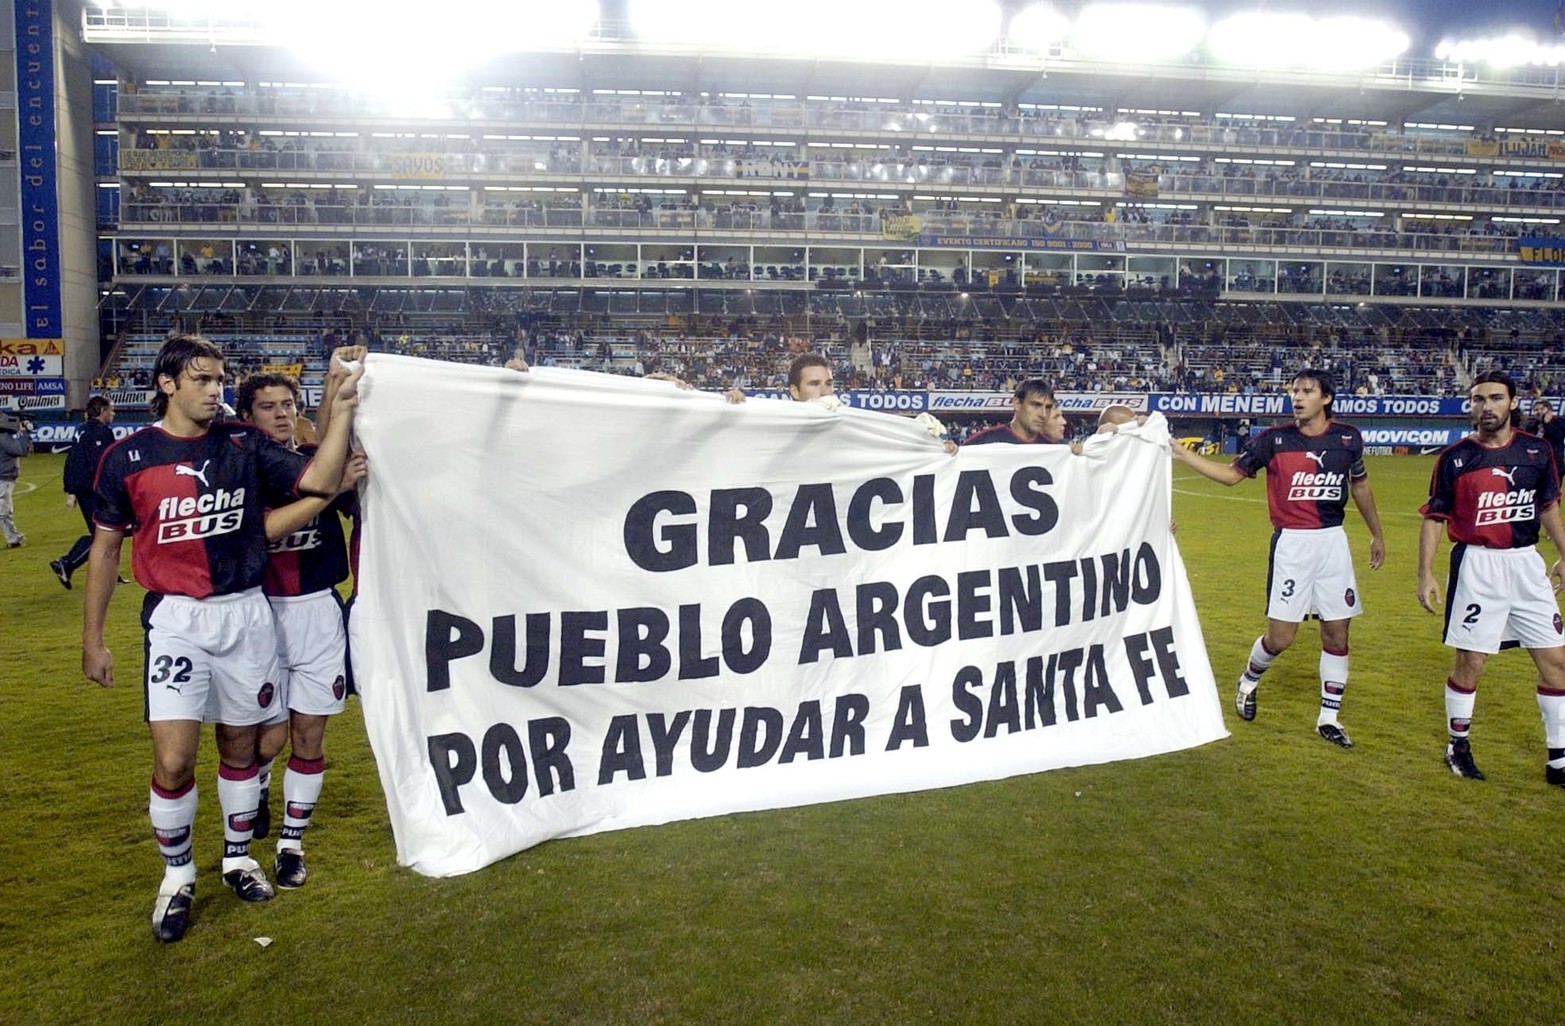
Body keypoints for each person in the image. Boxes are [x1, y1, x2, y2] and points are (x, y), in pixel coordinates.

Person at [81, 334, 362, 943]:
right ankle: (177, 876)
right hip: (177, 621)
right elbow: (105, 550)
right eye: (202, 380)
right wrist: (93, 638)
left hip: (247, 615)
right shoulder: (128, 458)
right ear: (167, 384)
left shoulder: (243, 443)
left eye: (218, 379)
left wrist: (338, 410)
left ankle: (238, 857)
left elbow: (317, 479)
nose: (214, 390)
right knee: (174, 758)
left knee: (242, 748)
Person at [1171, 370, 1385, 748]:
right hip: (1292, 546)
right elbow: (1230, 475)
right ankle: (1249, 679)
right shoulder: (1274, 440)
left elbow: (1361, 485)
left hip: (1333, 543)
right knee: (1281, 637)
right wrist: (1180, 452)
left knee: (1337, 631)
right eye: (1295, 391)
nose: (1298, 397)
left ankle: (1328, 718)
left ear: (1327, 398)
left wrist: (1376, 534)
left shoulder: (1348, 438)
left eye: (1307, 391)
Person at [231, 362, 364, 891]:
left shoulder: (315, 461)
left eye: (288, 405)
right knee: (267, 739)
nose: (282, 415)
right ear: (245, 417)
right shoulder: (238, 475)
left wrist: (339, 387)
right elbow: (262, 534)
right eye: (268, 407)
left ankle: (291, 844)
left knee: (309, 734)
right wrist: (329, 491)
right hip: (258, 613)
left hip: (317, 611)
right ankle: (260, 786)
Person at [1417, 371, 1565, 785]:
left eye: (1496, 398)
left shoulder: (1538, 452)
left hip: (1526, 565)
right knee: (1472, 662)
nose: (1486, 406)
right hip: (1477, 566)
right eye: (1478, 399)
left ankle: (1559, 760)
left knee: (1557, 661)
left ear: (1512, 403)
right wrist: (1425, 572)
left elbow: (1549, 507)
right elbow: (1434, 518)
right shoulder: (1456, 458)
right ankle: (1457, 745)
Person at [51, 397, 116, 588]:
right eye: (111, 410)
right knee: (103, 535)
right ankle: (67, 563)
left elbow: (73, 460)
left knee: (106, 533)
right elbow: (100, 464)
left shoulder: (82, 429)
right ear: (103, 410)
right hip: (94, 490)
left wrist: (71, 490)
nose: (113, 414)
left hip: (84, 489)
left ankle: (107, 573)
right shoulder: (99, 432)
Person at [964, 379, 1069, 445]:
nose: (1042, 414)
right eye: (1035, 405)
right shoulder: (984, 441)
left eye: (1048, 407)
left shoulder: (1051, 450)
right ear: (1017, 404)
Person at [0, 412, 33, 548]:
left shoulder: (3, 437)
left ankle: (14, 538)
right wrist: (25, 433)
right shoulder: (4, 437)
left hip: (4, 477)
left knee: (3, 509)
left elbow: (20, 450)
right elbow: (21, 449)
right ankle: (13, 538)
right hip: (4, 476)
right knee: (3, 509)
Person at [1525, 397, 1565, 472]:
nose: (1538, 412)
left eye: (1542, 409)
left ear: (1549, 410)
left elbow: (1558, 438)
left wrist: (1547, 424)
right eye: (1536, 410)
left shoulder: (1559, 423)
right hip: (1535, 465)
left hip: (1554, 466)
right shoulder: (1531, 426)